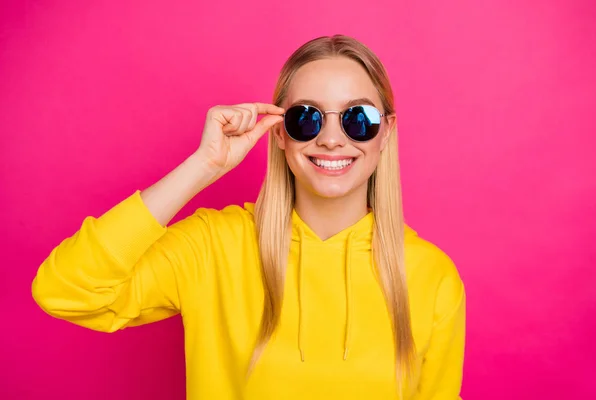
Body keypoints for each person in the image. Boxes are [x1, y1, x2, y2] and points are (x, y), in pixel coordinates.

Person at [32, 35, 465, 399]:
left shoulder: (431, 275)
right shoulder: (212, 247)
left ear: (386, 131)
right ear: (279, 132)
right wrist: (202, 167)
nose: (332, 139)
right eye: (306, 118)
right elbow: (64, 290)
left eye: (358, 118)